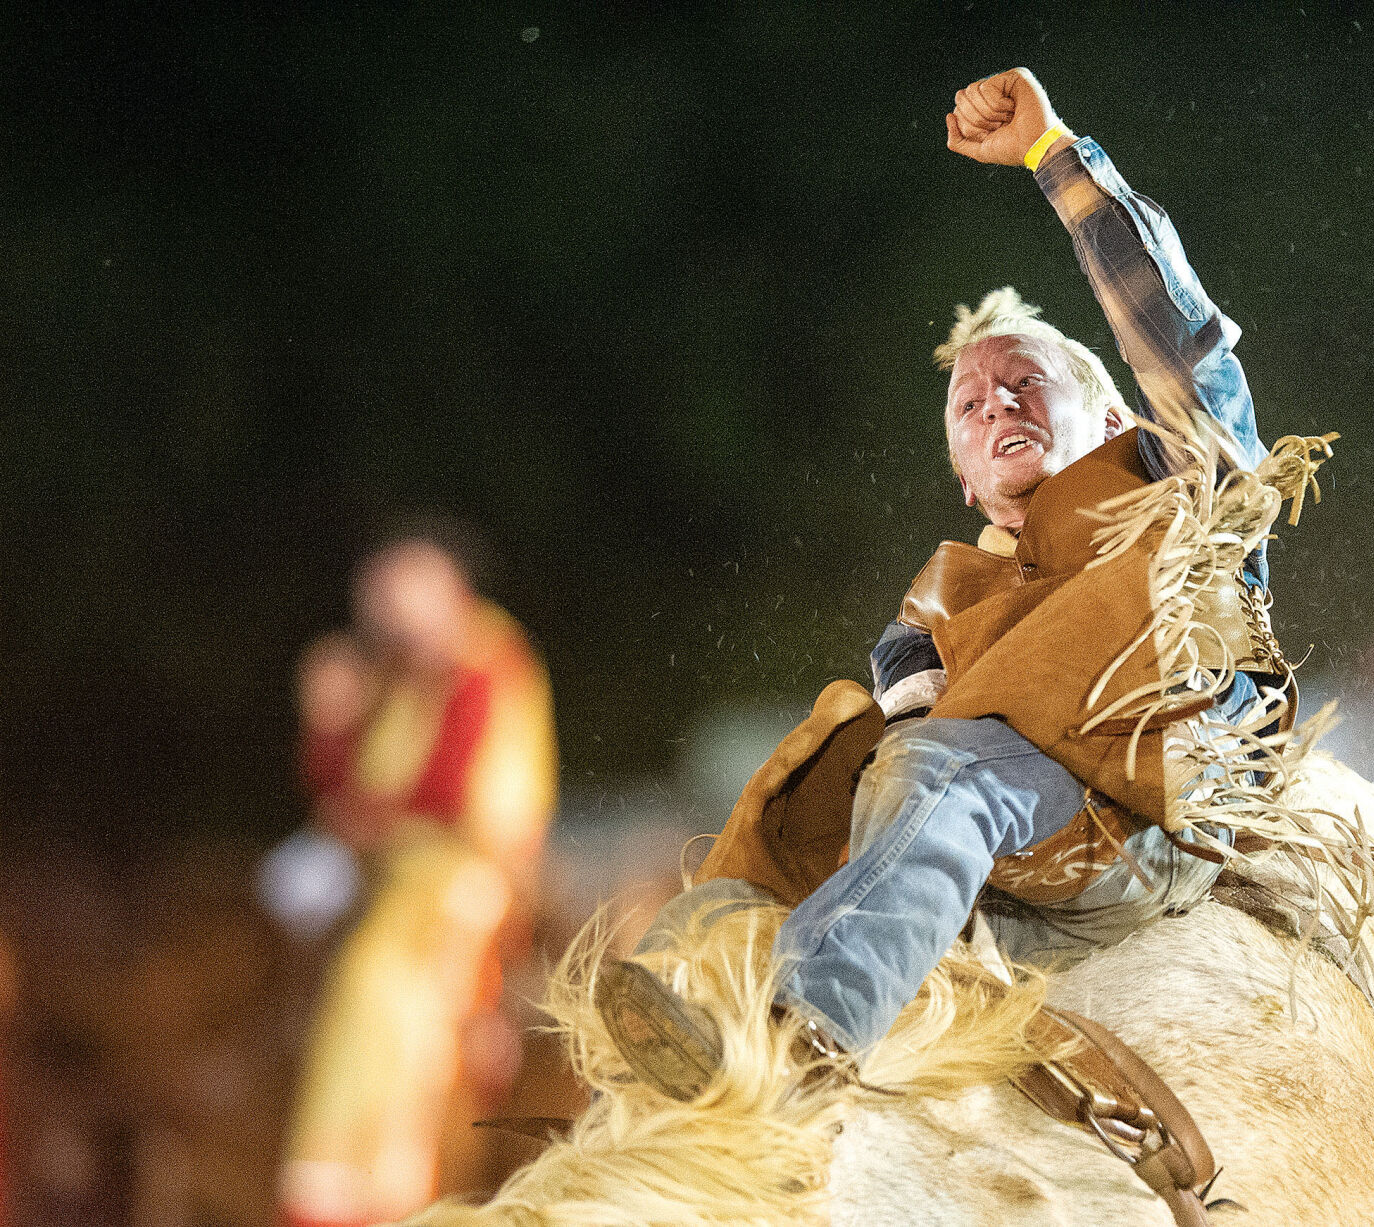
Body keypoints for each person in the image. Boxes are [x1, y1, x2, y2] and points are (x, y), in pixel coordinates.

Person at [596, 67, 1317, 1100]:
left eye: (1027, 383)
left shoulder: (1176, 483)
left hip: (1148, 815)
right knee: (800, 796)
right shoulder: (940, 606)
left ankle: (803, 1046)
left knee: (935, 768)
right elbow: (900, 740)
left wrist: (1057, 157)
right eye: (970, 407)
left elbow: (1176, 336)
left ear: (1114, 418)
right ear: (965, 480)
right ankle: (666, 1044)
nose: (997, 406)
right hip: (1008, 847)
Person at [278, 533, 559, 1227]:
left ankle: (372, 1185)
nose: (387, 625)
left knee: (382, 979)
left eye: (398, 604)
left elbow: (445, 785)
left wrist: (365, 813)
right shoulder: (405, 674)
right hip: (385, 876)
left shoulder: (483, 660)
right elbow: (340, 783)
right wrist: (329, 722)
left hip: (460, 874)